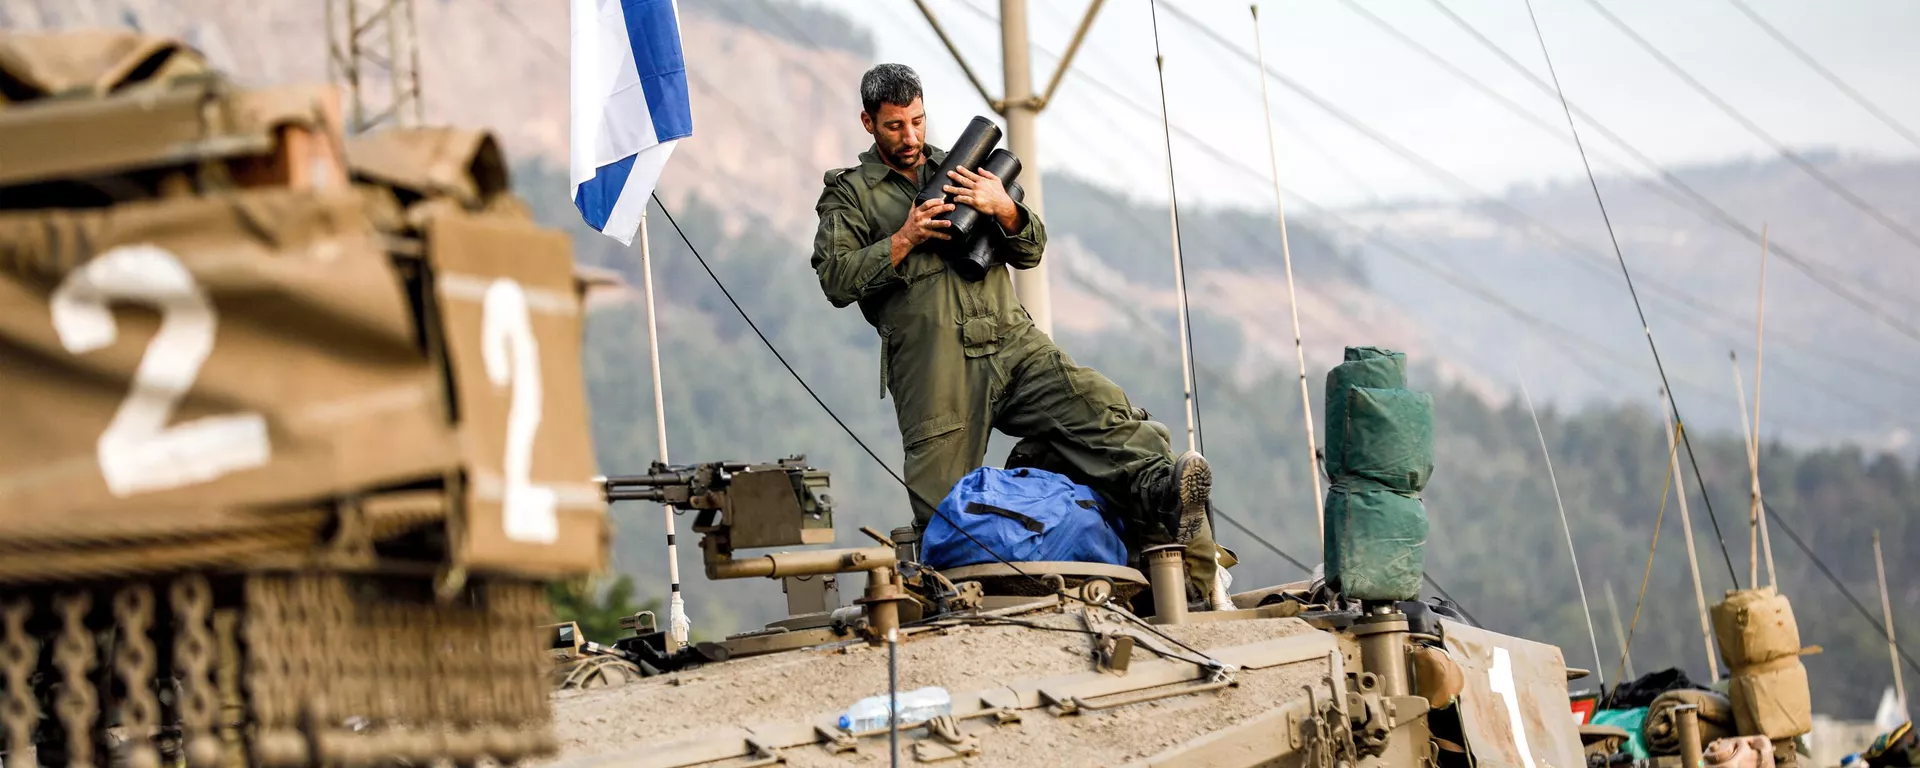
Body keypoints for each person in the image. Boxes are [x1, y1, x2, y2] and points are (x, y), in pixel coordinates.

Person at [809, 63, 1233, 607]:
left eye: (918, 121)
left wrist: (1003, 209)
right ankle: (967, 606)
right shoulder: (851, 195)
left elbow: (1030, 249)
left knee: (1117, 423)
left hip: (1011, 341)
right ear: (868, 123)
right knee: (943, 517)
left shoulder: (965, 165)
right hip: (935, 365)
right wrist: (904, 237)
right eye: (895, 126)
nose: (911, 137)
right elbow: (836, 279)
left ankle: (1189, 578)